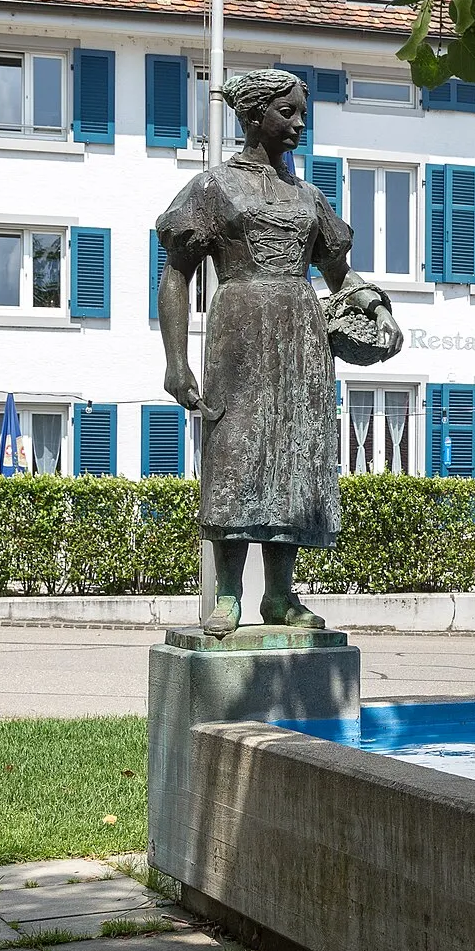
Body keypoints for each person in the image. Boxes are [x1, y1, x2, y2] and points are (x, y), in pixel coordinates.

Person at [155, 68, 401, 636]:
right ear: (253, 115)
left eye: (301, 113)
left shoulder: (308, 197)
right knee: (236, 454)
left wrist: (376, 306)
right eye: (286, 112)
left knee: (298, 455)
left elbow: (339, 272)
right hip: (240, 326)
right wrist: (176, 360)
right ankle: (226, 595)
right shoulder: (215, 188)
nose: (298, 122)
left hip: (301, 328)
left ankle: (281, 596)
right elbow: (176, 276)